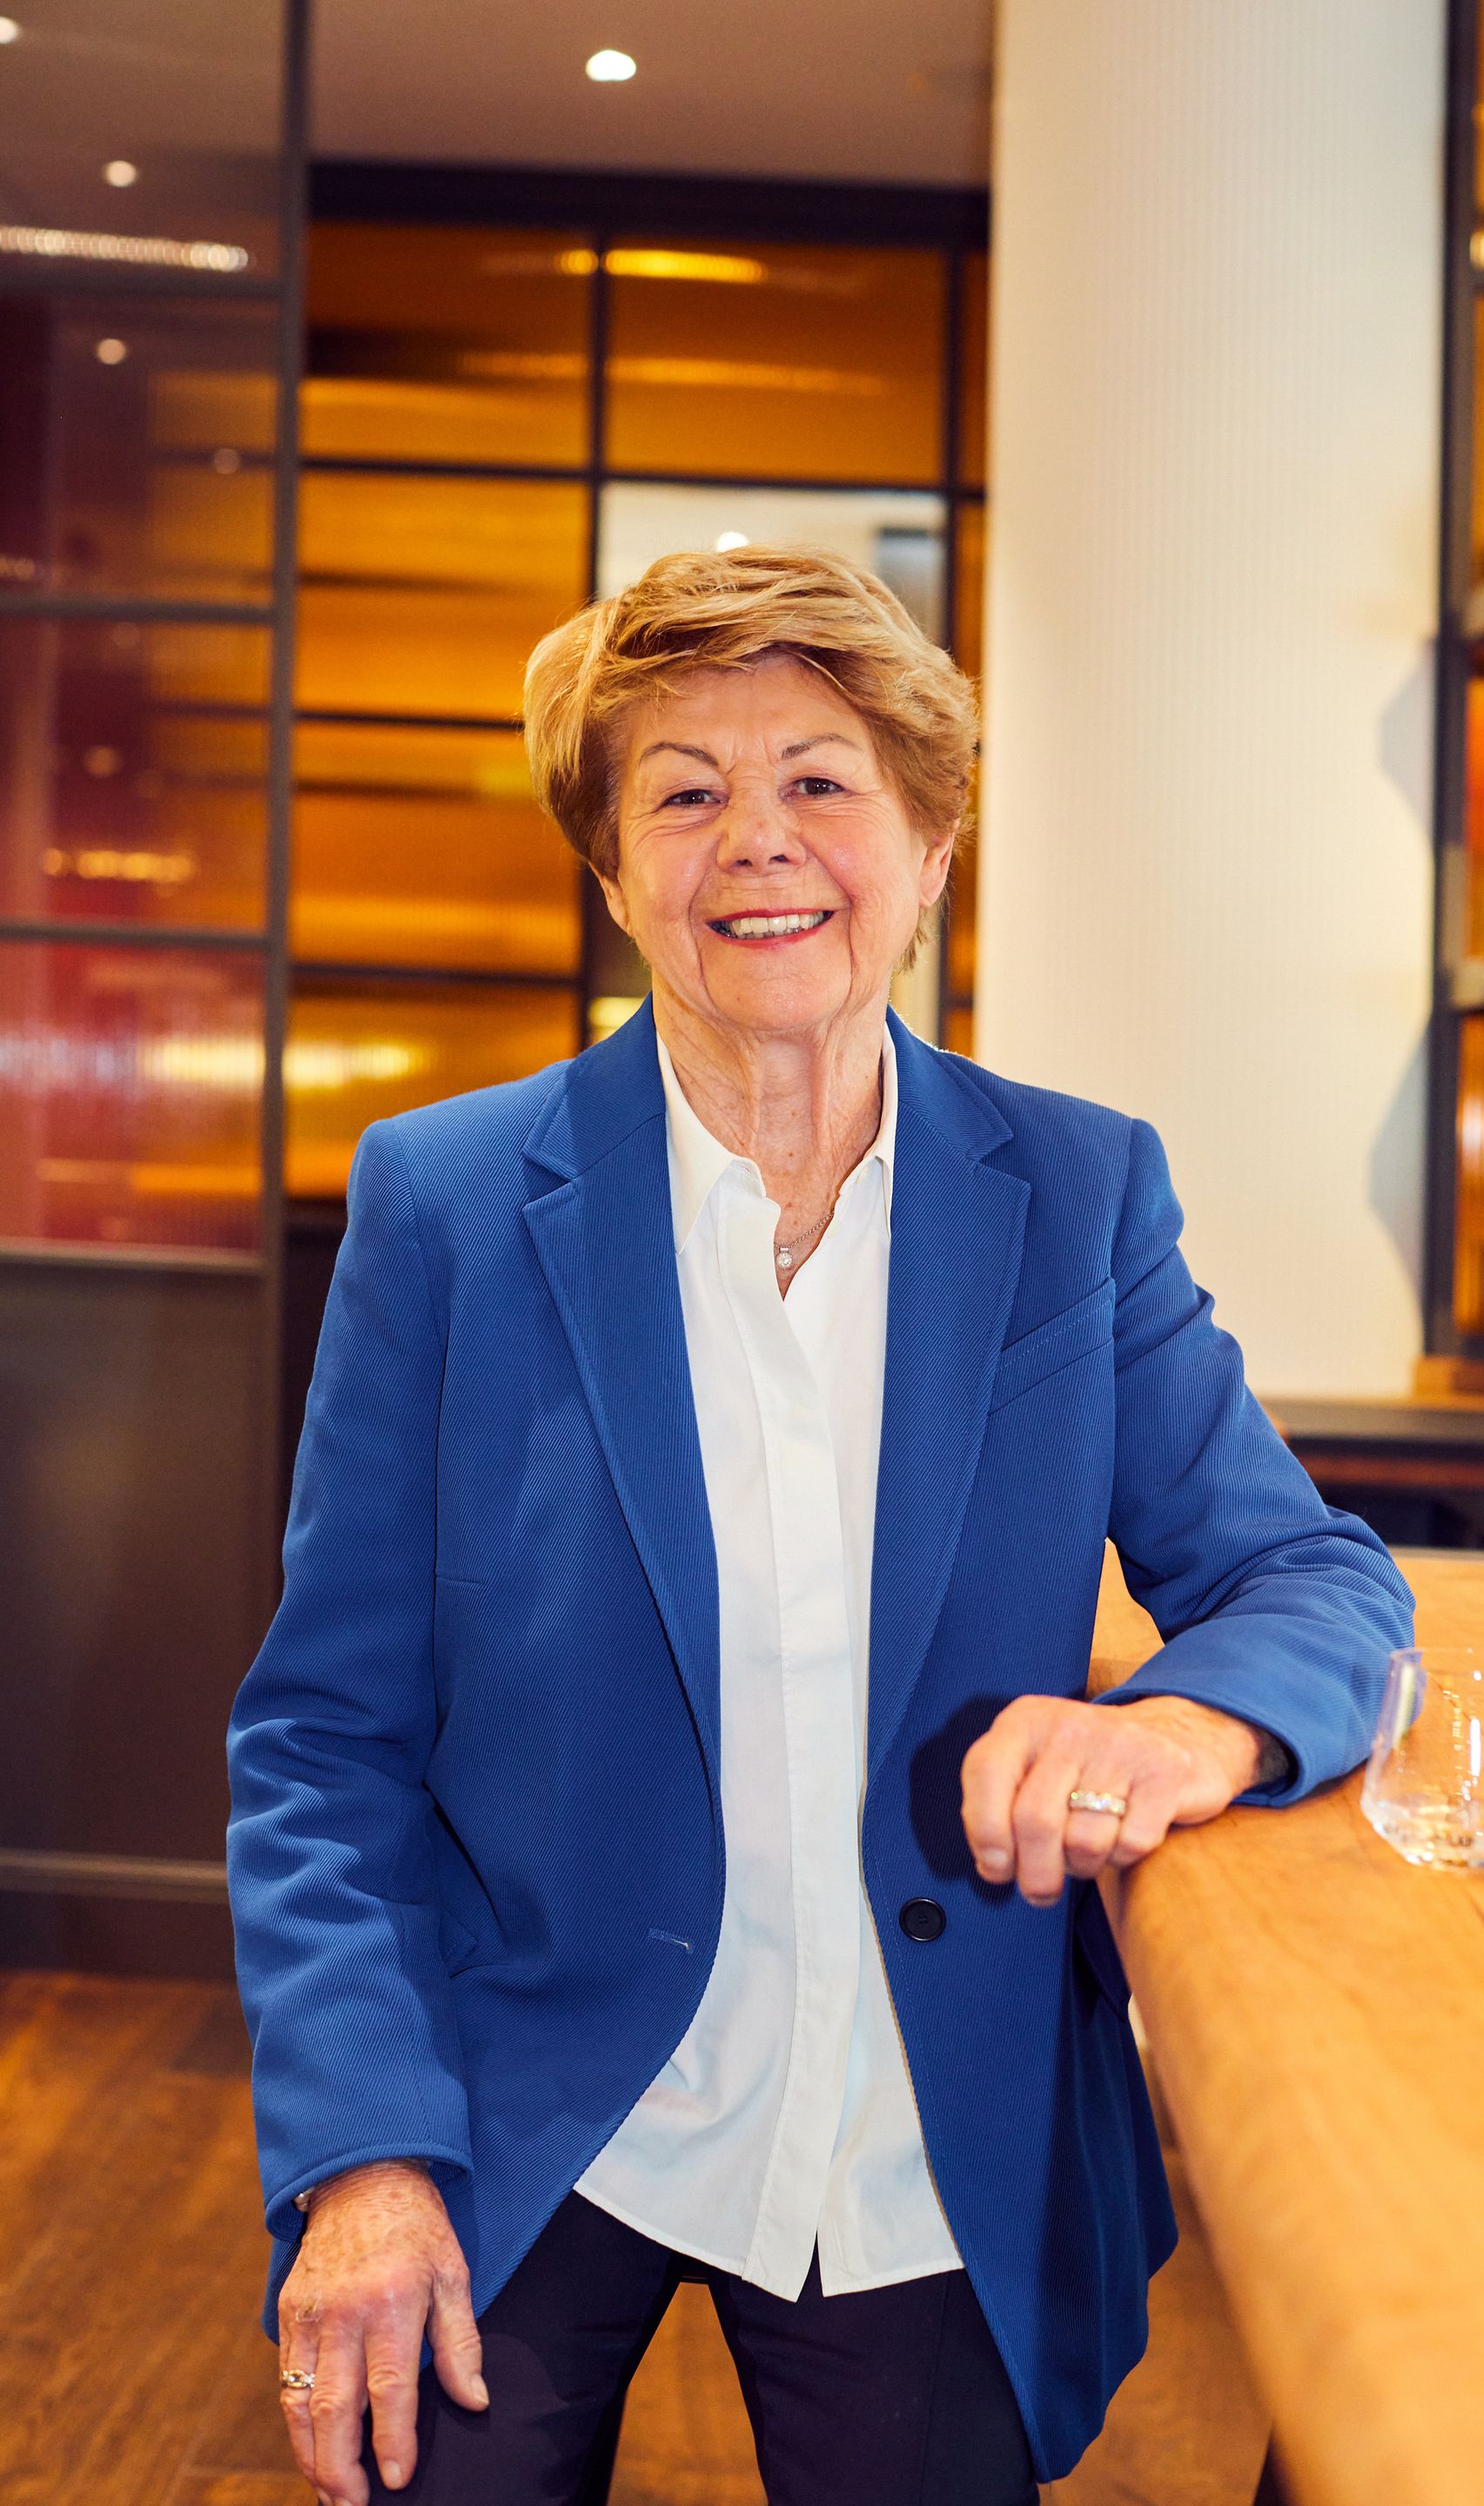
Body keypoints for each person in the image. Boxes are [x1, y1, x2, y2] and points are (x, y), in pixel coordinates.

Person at [227, 544, 1413, 2506]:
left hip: (917, 2111)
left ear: (931, 845)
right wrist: (364, 2153)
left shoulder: (1075, 1195)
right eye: (683, 790)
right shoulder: (440, 1203)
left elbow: (1310, 1579)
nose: (755, 842)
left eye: (822, 782)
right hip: (539, 2085)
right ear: (613, 872)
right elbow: (323, 1740)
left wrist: (1179, 1726)